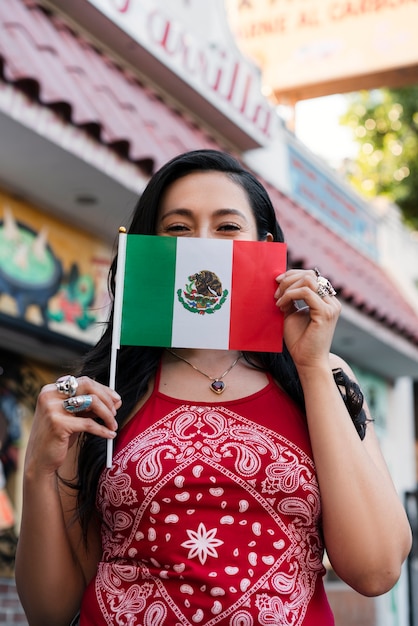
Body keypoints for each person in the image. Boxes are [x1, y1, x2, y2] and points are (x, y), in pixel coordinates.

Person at [15, 150, 411, 626]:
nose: (202, 246)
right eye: (178, 229)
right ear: (147, 247)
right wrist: (37, 469)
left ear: (264, 245)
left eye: (227, 228)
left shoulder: (323, 376)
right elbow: (49, 609)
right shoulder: (103, 393)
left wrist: (310, 365)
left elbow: (376, 569)